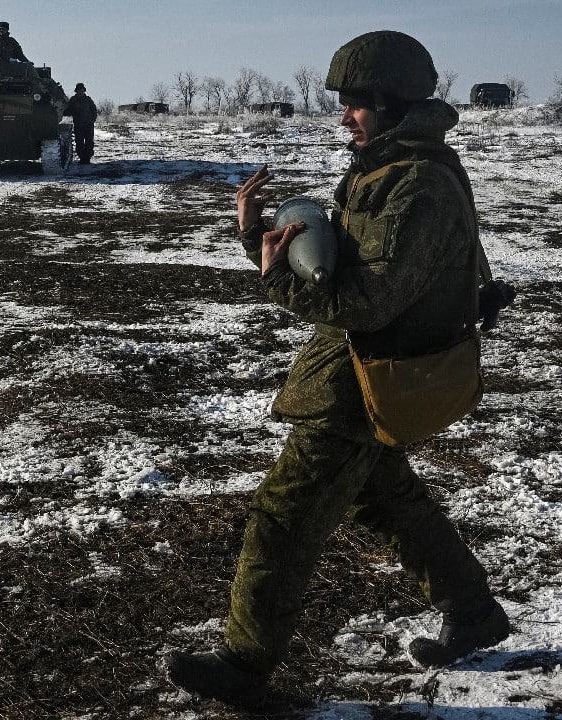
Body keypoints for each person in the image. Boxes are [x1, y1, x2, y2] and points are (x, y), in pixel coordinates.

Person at [163, 30, 511, 707]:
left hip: (366, 380)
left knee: (284, 517)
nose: (344, 115)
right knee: (386, 499)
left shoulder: (416, 186)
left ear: (391, 102)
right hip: (359, 372)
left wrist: (275, 280)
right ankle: (473, 613)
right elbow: (344, 273)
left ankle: (245, 666)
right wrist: (261, 240)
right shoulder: (388, 168)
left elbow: (366, 301)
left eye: (355, 103)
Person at [64, 82, 98, 164]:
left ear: (84, 90)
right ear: (76, 91)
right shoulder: (73, 100)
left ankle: (87, 158)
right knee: (79, 142)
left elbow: (94, 110)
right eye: (79, 90)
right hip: (78, 125)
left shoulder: (88, 99)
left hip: (88, 124)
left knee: (89, 142)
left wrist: (92, 119)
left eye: (82, 90)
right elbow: (69, 110)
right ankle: (82, 158)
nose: (80, 91)